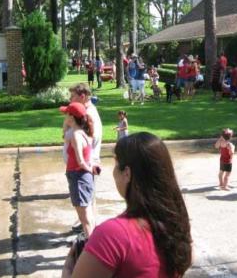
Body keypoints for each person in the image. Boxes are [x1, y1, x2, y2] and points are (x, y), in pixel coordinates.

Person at [64, 133, 193, 278]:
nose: (113, 172)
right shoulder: (175, 223)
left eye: (116, 164)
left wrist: (68, 270)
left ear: (127, 173)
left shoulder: (112, 235)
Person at [60, 102, 95, 237]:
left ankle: (90, 248)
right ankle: (91, 244)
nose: (65, 117)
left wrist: (89, 170)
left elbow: (80, 161)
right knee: (88, 216)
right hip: (82, 177)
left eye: (67, 114)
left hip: (78, 177)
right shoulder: (83, 132)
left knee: (85, 219)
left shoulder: (76, 135)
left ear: (72, 118)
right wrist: (90, 170)